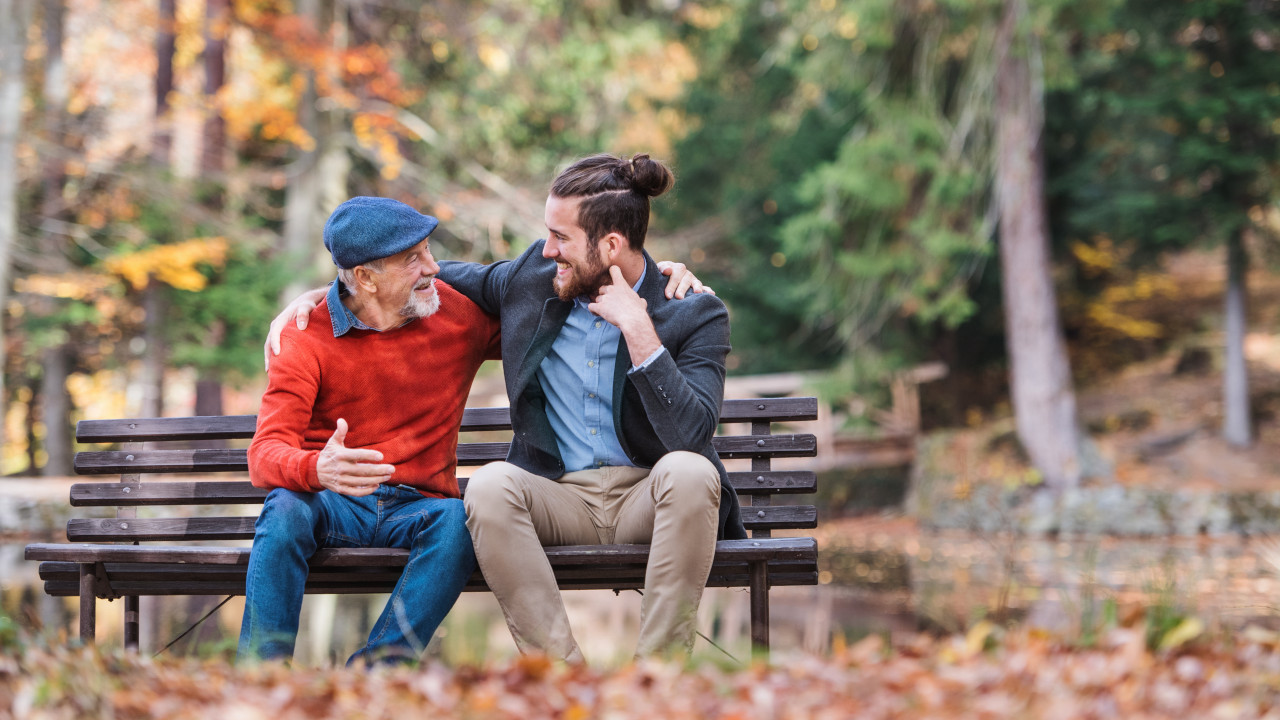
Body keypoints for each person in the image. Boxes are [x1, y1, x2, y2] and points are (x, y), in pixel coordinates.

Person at [267, 154, 732, 662]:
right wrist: (326, 295)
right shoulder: (531, 280)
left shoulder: (693, 311)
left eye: (560, 238)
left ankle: (656, 680)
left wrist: (641, 331)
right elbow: (411, 282)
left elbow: (693, 437)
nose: (546, 249)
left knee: (690, 471)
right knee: (487, 485)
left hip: (652, 495)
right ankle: (559, 678)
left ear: (612, 245)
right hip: (560, 499)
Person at [240, 196, 500, 666]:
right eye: (413, 258)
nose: (433, 266)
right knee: (283, 509)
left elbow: (543, 306)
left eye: (428, 250)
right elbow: (265, 455)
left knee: (458, 523)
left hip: (421, 508)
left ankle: (378, 673)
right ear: (364, 277)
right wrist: (316, 468)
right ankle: (262, 675)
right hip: (335, 505)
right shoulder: (303, 336)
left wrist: (650, 275)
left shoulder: (458, 316)